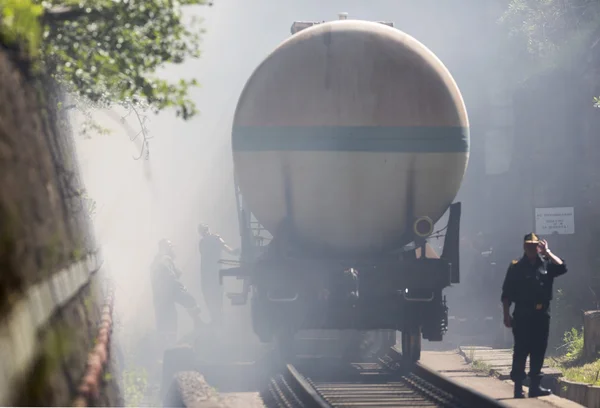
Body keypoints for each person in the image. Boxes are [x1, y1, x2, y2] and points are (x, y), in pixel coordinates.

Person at [501, 233, 567, 398]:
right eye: (529, 245)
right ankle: (517, 387)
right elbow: (507, 294)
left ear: (539, 246)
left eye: (535, 245)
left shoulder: (545, 264)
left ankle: (535, 387)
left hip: (541, 314)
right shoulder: (516, 266)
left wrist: (548, 252)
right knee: (521, 350)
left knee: (539, 350)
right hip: (523, 313)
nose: (532, 248)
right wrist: (506, 315)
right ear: (524, 246)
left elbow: (562, 267)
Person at [151, 239, 202, 352]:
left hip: (160, 303)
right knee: (170, 329)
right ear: (167, 248)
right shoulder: (165, 260)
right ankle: (170, 353)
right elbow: (172, 282)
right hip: (166, 303)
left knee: (163, 330)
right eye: (171, 247)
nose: (173, 250)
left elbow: (169, 276)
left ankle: (162, 354)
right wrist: (190, 301)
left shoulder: (156, 261)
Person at [198, 224, 240, 327]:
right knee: (214, 298)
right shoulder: (214, 239)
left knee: (212, 298)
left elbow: (228, 250)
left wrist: (235, 252)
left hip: (209, 275)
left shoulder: (205, 241)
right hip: (212, 275)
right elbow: (229, 250)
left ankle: (217, 322)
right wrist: (236, 252)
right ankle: (217, 322)